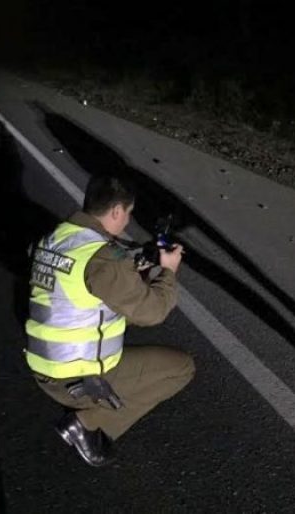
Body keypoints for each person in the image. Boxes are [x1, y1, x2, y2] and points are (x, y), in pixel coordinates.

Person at [24, 175, 195, 466]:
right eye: (128, 213)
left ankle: (88, 414)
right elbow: (152, 312)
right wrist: (168, 272)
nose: (127, 221)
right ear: (116, 211)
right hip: (76, 376)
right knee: (181, 368)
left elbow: (82, 285)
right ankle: (87, 421)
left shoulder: (55, 237)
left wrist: (134, 267)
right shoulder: (104, 260)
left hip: (44, 366)